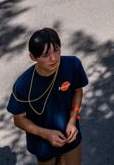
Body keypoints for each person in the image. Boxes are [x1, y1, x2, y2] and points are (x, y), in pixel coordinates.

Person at [7, 28, 88, 165]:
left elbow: (77, 91)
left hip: (70, 136)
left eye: (56, 50)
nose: (54, 58)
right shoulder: (23, 85)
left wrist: (73, 120)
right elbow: (19, 120)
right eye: (45, 55)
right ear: (33, 57)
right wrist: (46, 134)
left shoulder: (72, 64)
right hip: (42, 144)